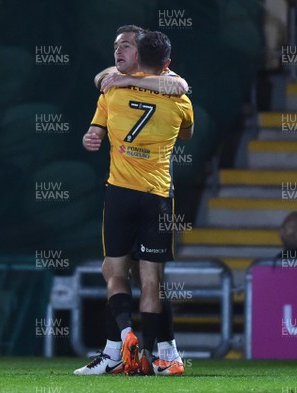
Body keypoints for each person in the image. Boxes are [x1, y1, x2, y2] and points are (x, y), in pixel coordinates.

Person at [74, 25, 187, 377]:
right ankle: (149, 355)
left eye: (125, 45)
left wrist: (123, 83)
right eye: (115, 46)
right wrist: (92, 135)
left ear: (139, 53)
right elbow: (185, 115)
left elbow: (176, 84)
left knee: (116, 272)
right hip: (157, 197)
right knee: (146, 279)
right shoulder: (173, 96)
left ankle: (124, 347)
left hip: (122, 194)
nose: (117, 52)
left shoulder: (116, 89)